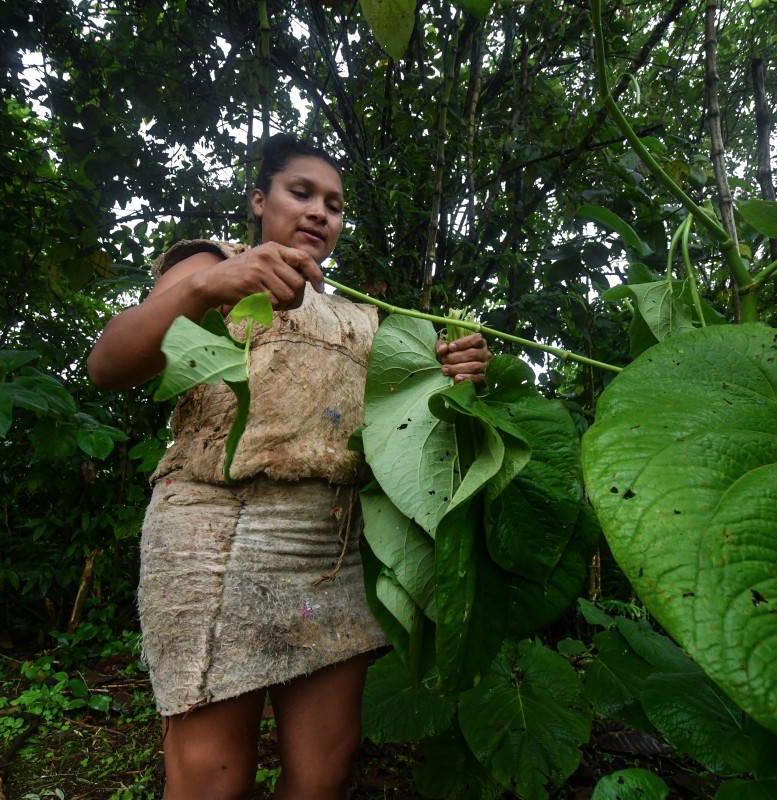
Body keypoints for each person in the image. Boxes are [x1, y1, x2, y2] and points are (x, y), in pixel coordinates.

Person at [87, 133, 490, 800]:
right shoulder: (213, 268)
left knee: (324, 772)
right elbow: (109, 364)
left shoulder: (365, 315)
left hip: (331, 553)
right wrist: (212, 283)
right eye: (300, 192)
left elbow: (403, 433)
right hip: (219, 537)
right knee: (211, 778)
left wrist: (450, 374)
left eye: (333, 204)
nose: (319, 212)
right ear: (258, 199)